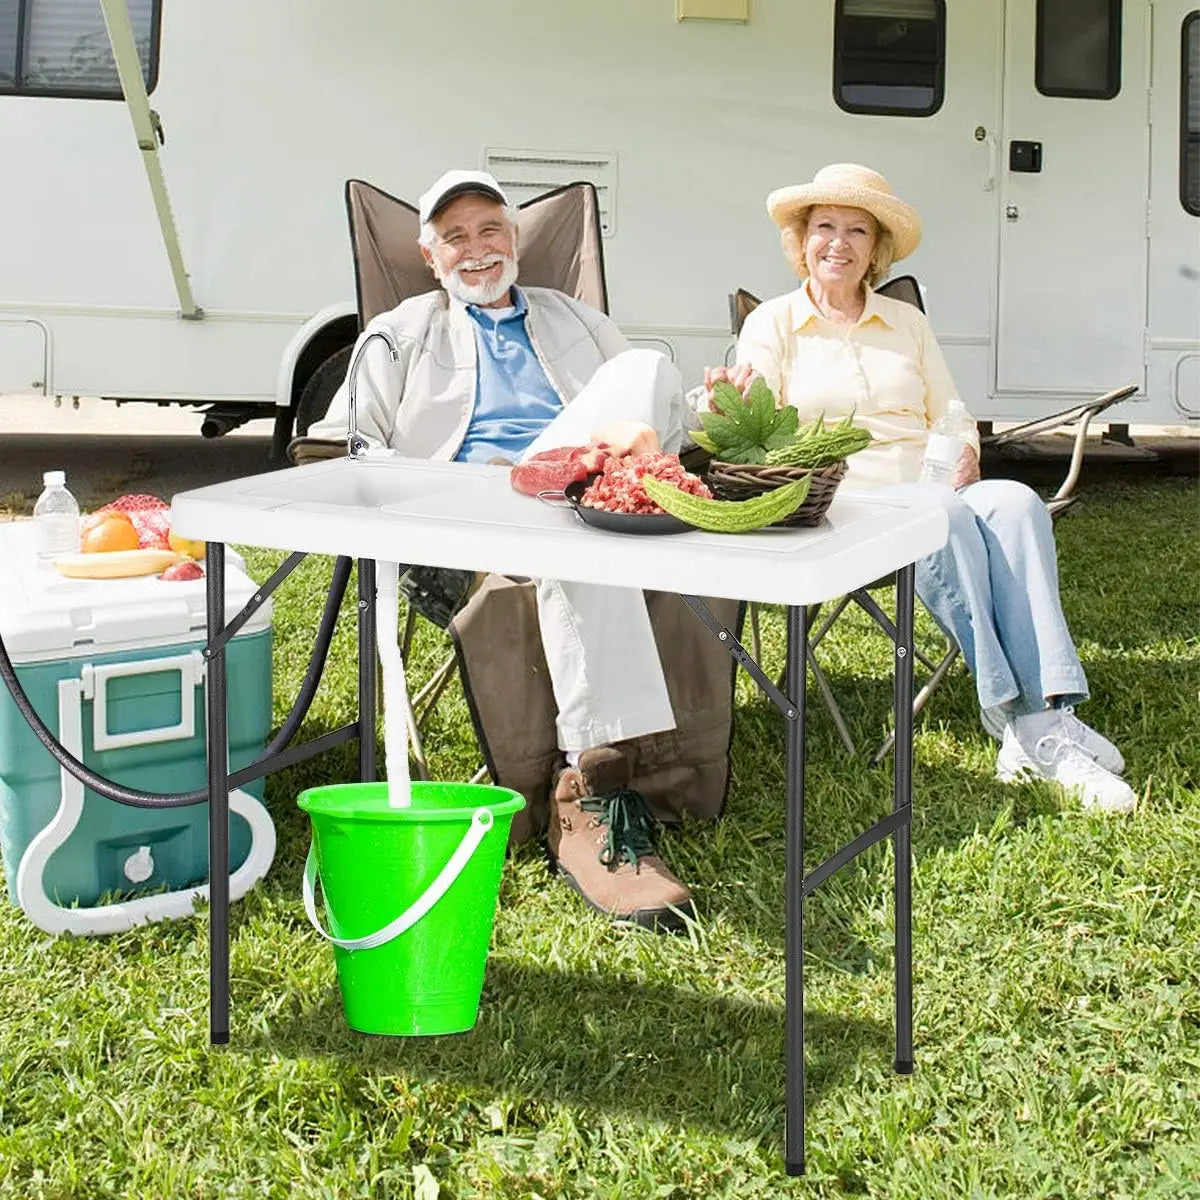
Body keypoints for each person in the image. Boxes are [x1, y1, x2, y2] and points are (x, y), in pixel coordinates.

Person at [310, 168, 700, 927]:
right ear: (430, 258)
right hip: (465, 517)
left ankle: (602, 782)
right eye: (454, 237)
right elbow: (344, 444)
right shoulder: (398, 332)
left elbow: (658, 416)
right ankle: (592, 792)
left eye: (491, 230)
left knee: (647, 366)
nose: (476, 249)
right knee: (580, 554)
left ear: (515, 239)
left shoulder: (574, 319)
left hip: (579, 493)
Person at [706, 162, 1134, 813]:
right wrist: (727, 403)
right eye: (825, 227)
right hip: (837, 509)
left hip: (932, 490)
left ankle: (1041, 719)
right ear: (802, 239)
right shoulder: (772, 324)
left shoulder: (907, 324)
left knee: (1017, 504)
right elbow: (755, 420)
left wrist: (964, 453)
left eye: (857, 230)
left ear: (875, 248)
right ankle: (1026, 721)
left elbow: (952, 414)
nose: (839, 243)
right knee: (941, 513)